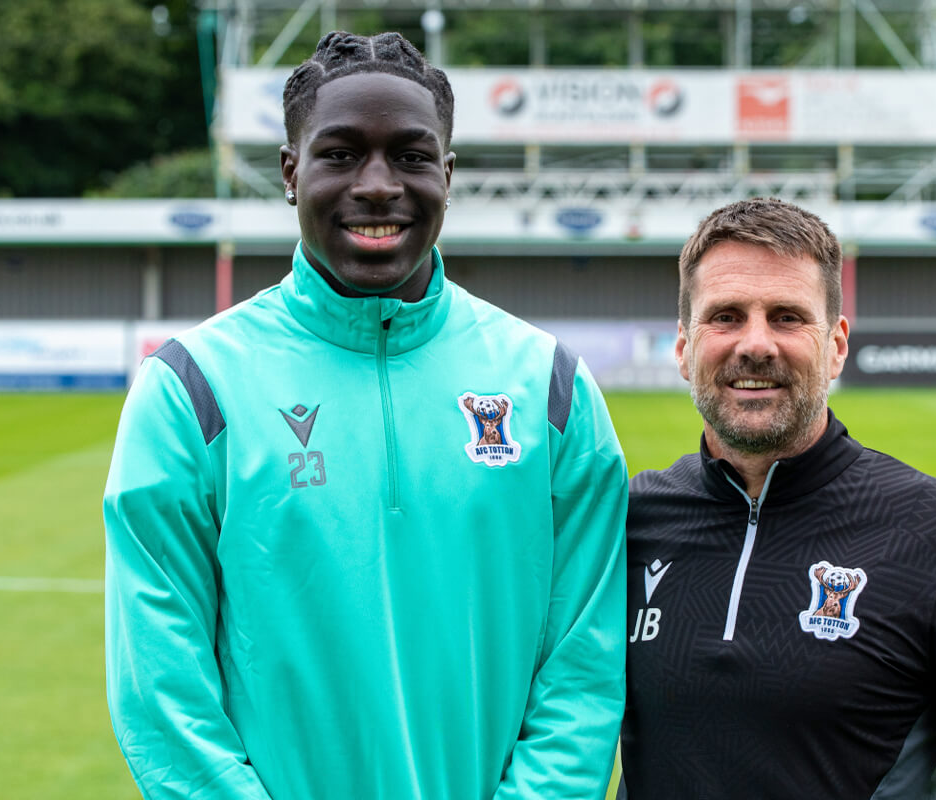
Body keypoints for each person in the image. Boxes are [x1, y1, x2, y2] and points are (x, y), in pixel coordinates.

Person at [104, 31, 628, 800]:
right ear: (290, 173)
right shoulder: (191, 390)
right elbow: (161, 692)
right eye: (341, 154)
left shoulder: (550, 387)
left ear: (448, 176)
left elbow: (584, 669)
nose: (379, 185)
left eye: (412, 157)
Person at [619, 197, 936, 799]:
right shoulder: (627, 520)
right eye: (725, 316)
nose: (756, 344)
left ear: (836, 345)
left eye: (787, 317)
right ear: (683, 348)